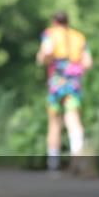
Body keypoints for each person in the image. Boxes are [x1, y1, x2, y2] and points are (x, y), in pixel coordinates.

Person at [36, 11, 92, 172]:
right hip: (73, 83)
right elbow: (88, 62)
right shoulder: (79, 37)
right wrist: (75, 69)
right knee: (73, 120)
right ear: (68, 22)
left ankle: (53, 164)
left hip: (56, 82)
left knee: (54, 122)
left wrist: (43, 58)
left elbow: (46, 51)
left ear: (54, 21)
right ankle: (78, 160)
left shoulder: (50, 34)